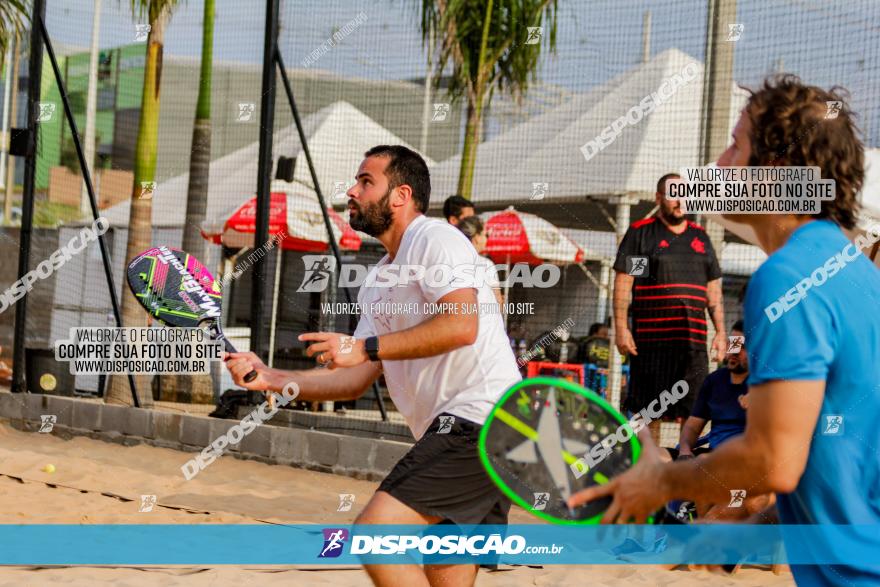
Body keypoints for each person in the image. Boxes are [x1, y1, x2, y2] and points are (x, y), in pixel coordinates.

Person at [569, 75, 880, 586]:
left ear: (776, 169)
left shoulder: (787, 277)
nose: (717, 165)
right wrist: (739, 532)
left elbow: (772, 459)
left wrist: (661, 479)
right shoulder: (854, 272)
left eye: (736, 144)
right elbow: (826, 459)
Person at [226, 145, 520, 587]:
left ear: (400, 195)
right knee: (443, 563)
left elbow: (461, 326)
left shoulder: (435, 239)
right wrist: (272, 378)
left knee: (373, 536)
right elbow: (353, 381)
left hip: (481, 420)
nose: (352, 190)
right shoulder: (379, 280)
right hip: (469, 427)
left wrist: (366, 348)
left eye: (366, 182)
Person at [612, 173, 727, 445]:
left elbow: (714, 292)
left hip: (692, 345)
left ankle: (684, 464)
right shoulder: (642, 234)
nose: (680, 201)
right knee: (648, 412)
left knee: (695, 410)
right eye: (673, 194)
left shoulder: (701, 239)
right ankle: (647, 468)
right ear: (659, 198)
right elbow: (624, 284)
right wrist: (620, 328)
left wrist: (721, 332)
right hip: (652, 345)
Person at [673, 319, 749, 459]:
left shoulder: (764, 385)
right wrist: (684, 451)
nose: (735, 352)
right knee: (660, 456)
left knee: (702, 461)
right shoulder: (714, 380)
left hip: (744, 459)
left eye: (742, 346)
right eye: (733, 343)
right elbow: (692, 427)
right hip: (712, 455)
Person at [455, 215, 504, 307]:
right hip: (487, 320)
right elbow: (498, 301)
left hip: (461, 319)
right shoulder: (486, 264)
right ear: (477, 237)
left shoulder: (452, 261)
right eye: (486, 234)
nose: (487, 238)